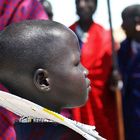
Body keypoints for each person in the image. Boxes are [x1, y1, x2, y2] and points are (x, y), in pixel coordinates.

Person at [0, 20, 92, 140]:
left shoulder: (23, 130)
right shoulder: (65, 136)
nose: (85, 71)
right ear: (43, 81)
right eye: (76, 63)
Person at [69, 0, 118, 140]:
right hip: (73, 104)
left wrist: (116, 79)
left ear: (96, 5)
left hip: (101, 106)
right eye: (78, 1)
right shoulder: (66, 34)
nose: (82, 5)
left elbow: (112, 75)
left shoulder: (107, 36)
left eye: (88, 1)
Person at [118, 4, 140, 140]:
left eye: (124, 20)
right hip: (129, 120)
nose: (122, 26)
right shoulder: (122, 49)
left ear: (137, 22)